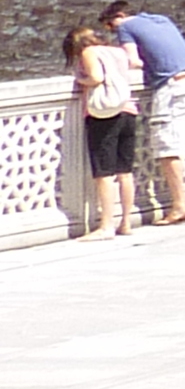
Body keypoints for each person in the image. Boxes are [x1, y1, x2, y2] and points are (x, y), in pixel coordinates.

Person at [105, 0, 185, 227]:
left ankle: (179, 205)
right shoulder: (162, 19)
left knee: (169, 147)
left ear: (120, 16)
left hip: (173, 86)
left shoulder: (126, 26)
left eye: (111, 27)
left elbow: (133, 61)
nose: (115, 34)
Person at [64, 22, 141, 238]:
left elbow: (96, 78)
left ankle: (106, 225)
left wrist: (80, 79)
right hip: (127, 110)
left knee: (104, 172)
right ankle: (126, 222)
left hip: (104, 114)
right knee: (125, 171)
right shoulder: (118, 51)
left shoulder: (89, 52)